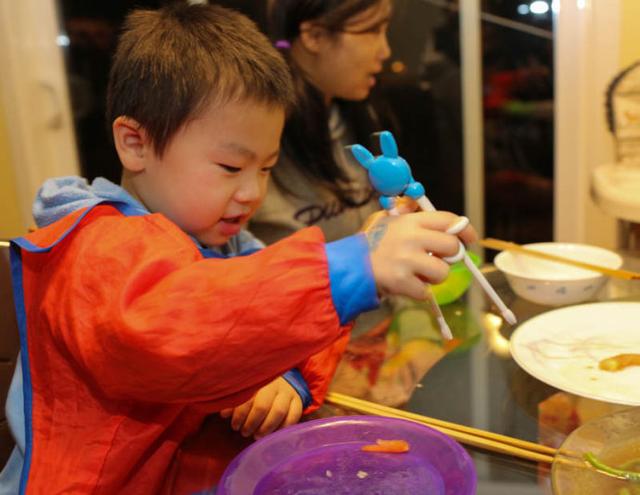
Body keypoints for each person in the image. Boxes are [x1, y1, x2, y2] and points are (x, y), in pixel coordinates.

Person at [0, 3, 475, 494]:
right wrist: (356, 264)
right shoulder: (97, 247)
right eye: (231, 168)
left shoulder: (227, 245)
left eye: (266, 168)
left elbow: (261, 320)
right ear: (135, 144)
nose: (252, 192)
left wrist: (287, 376)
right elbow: (180, 326)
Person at [249, 0, 395, 243]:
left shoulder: (357, 116)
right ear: (314, 36)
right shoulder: (262, 134)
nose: (385, 51)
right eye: (373, 31)